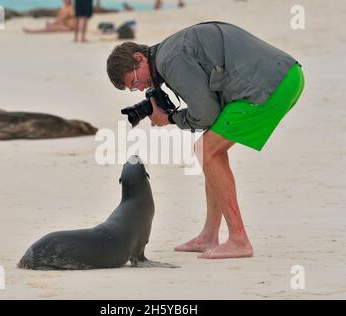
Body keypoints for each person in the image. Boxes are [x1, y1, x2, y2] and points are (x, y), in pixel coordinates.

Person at [106, 22, 304, 259]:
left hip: (271, 84)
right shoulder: (169, 51)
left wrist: (169, 118)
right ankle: (210, 235)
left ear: (139, 57)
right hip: (285, 75)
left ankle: (239, 240)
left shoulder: (170, 60)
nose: (139, 89)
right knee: (210, 149)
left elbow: (206, 114)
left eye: (134, 81)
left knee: (206, 149)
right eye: (132, 89)